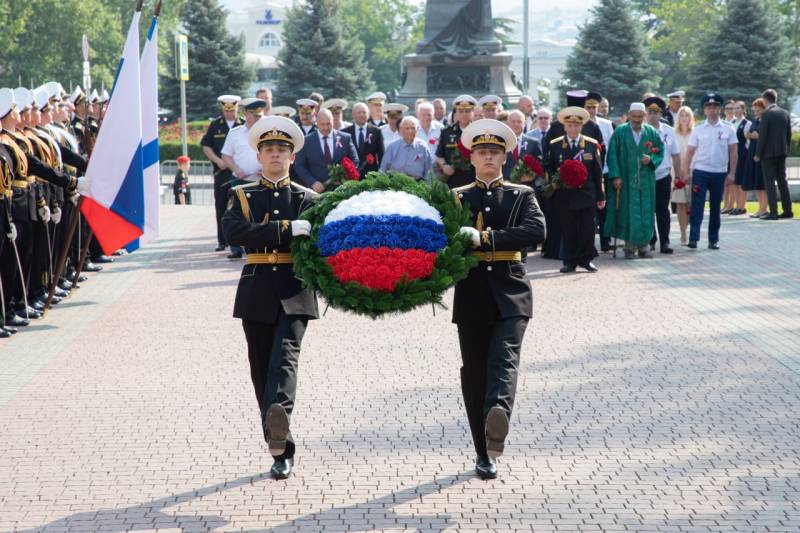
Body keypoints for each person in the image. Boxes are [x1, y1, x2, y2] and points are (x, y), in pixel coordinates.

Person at [221, 115, 318, 480]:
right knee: (261, 367)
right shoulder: (243, 195)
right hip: (257, 290)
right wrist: (285, 230)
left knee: (285, 360)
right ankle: (278, 439)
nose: (276, 155)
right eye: (269, 150)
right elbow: (234, 231)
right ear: (258, 156)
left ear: (292, 157)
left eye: (282, 150)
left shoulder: (309, 200)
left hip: (295, 291)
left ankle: (280, 430)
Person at [452, 118, 546, 480]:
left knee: (504, 360)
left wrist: (486, 239)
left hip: (511, 293)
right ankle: (484, 451)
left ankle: (499, 415)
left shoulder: (522, 195)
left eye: (494, 152)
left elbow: (536, 231)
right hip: (472, 294)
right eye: (481, 152)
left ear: (504, 157)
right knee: (474, 373)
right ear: (472, 158)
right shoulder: (458, 198)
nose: (488, 157)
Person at [545, 107, 604, 272]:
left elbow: (597, 172)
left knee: (588, 228)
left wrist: (601, 195)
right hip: (565, 193)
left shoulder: (591, 145)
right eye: (570, 125)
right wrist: (556, 179)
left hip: (586, 193)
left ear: (582, 127)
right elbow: (548, 166)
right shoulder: (555, 145)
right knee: (568, 228)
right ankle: (570, 261)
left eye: (576, 125)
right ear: (564, 127)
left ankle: (586, 259)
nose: (573, 128)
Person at [604, 102, 664, 259]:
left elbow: (660, 151)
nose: (637, 119)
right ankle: (630, 247)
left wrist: (651, 159)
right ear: (629, 115)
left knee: (646, 211)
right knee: (628, 212)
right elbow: (612, 155)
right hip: (625, 180)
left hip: (646, 181)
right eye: (634, 116)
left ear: (644, 116)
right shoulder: (620, 132)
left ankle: (644, 246)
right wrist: (615, 175)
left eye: (640, 116)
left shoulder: (651, 132)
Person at [682, 93, 738, 249]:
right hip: (701, 172)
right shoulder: (698, 128)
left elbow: (733, 151)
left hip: (719, 173)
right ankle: (693, 238)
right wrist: (686, 172)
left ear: (719, 109)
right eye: (709, 107)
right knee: (697, 206)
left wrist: (732, 173)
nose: (712, 110)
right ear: (704, 110)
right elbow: (690, 152)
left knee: (715, 207)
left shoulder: (728, 128)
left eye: (715, 107)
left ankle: (713, 240)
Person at [221, 98, 267, 259]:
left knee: (260, 216)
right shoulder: (235, 133)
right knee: (236, 214)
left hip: (261, 180)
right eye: (254, 115)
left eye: (260, 116)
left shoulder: (267, 132)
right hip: (240, 181)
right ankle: (235, 248)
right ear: (245, 114)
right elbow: (226, 155)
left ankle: (257, 246)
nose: (258, 119)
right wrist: (235, 169)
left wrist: (267, 169)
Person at [201, 94, 244, 252]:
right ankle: (222, 240)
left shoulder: (244, 124)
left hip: (240, 174)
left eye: (232, 110)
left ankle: (241, 241)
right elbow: (206, 146)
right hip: (222, 173)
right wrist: (218, 160)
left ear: (237, 108)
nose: (229, 113)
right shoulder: (215, 125)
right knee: (221, 207)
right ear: (222, 109)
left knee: (241, 207)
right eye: (226, 110)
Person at [643, 96, 681, 254]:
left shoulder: (669, 131)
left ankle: (665, 241)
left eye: (656, 112)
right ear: (645, 113)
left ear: (661, 114)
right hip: (645, 176)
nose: (653, 115)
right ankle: (650, 240)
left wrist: (678, 176)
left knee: (662, 210)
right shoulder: (640, 130)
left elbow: (676, 155)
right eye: (650, 112)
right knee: (647, 209)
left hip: (663, 176)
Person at [292, 108, 359, 192]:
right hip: (317, 191)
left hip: (342, 189)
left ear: (333, 121)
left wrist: (344, 177)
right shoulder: (306, 141)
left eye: (328, 124)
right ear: (316, 122)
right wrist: (312, 182)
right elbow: (299, 166)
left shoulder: (345, 138)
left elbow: (355, 160)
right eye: (322, 124)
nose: (325, 127)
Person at [754, 89, 793, 220]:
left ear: (765, 100)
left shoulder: (766, 114)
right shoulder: (785, 113)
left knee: (769, 182)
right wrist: (786, 149)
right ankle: (788, 210)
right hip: (782, 152)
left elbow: (763, 136)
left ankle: (773, 212)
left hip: (768, 154)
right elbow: (789, 134)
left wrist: (758, 153)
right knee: (783, 181)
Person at [585, 91, 614, 252]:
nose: (591, 110)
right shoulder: (580, 124)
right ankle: (590, 244)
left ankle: (605, 240)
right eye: (588, 107)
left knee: (605, 208)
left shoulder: (606, 125)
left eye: (594, 107)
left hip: (605, 171)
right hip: (588, 173)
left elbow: (610, 149)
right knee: (590, 210)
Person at [436, 94, 477, 188]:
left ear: (472, 113)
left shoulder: (478, 132)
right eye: (461, 111)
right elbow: (439, 155)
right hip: (453, 181)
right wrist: (444, 166)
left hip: (475, 180)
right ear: (456, 113)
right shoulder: (446, 132)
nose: (464, 114)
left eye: (467, 111)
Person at [379, 116, 434, 182]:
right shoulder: (392, 147)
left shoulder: (423, 147)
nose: (410, 131)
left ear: (417, 129)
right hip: (396, 184)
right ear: (401, 130)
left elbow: (429, 171)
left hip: (418, 185)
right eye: (407, 128)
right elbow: (383, 168)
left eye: (413, 128)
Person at [671, 105, 695, 244]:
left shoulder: (695, 133)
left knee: (690, 204)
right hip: (678, 173)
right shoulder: (674, 134)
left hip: (693, 172)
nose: (684, 118)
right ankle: (683, 232)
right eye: (682, 115)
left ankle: (689, 228)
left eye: (687, 115)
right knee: (680, 203)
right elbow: (673, 155)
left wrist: (691, 171)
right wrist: (677, 174)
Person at [342, 102, 383, 177]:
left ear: (368, 114)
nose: (362, 115)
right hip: (350, 176)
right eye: (359, 112)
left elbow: (381, 155)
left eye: (364, 112)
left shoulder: (376, 131)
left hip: (371, 176)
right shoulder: (345, 132)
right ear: (353, 115)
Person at [742, 98, 768, 218]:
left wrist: (756, 136)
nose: (756, 112)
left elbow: (763, 136)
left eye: (758, 110)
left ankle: (764, 208)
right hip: (753, 152)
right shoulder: (755, 121)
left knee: (762, 183)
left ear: (763, 109)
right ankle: (759, 208)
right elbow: (752, 133)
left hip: (761, 154)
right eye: (754, 110)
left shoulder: (766, 121)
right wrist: (749, 135)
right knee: (756, 182)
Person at [502, 110, 542, 185]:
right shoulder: (501, 143)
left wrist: (533, 175)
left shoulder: (533, 143)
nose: (516, 124)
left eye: (519, 121)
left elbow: (541, 164)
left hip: (527, 186)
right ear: (507, 123)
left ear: (524, 123)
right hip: (505, 187)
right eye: (513, 121)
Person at [730, 101, 751, 216]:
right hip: (733, 154)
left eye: (738, 108)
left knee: (741, 182)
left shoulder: (747, 123)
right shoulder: (732, 122)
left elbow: (748, 142)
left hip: (742, 155)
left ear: (743, 109)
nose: (736, 110)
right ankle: (737, 205)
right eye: (734, 108)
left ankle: (742, 206)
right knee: (734, 182)